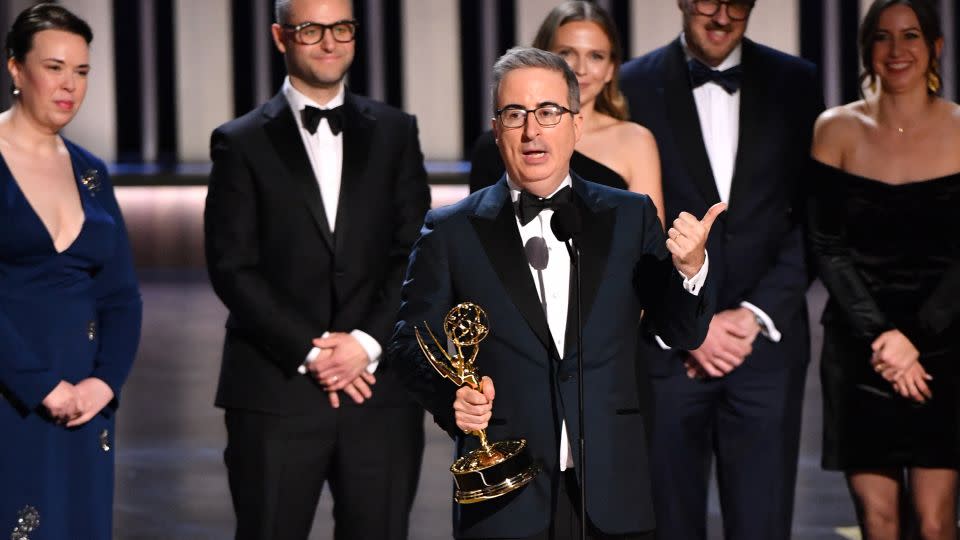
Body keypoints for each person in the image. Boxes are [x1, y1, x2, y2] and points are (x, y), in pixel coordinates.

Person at [389, 46, 723, 540]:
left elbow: (681, 330)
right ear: (497, 127)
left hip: (613, 493)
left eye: (548, 112)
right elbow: (408, 344)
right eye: (515, 114)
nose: (532, 130)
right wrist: (451, 396)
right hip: (506, 496)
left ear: (576, 124)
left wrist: (691, 268)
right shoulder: (451, 230)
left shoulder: (629, 216)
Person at [203, 0, 430, 537]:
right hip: (275, 390)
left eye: (342, 27)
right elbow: (232, 267)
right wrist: (312, 352)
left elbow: (418, 251)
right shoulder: (239, 141)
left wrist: (364, 345)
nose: (330, 42)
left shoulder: (396, 132)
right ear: (280, 37)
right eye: (311, 28)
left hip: (379, 392)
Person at [618, 1, 824, 538]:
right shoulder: (631, 85)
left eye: (737, 0)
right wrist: (689, 328)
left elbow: (816, 219)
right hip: (668, 355)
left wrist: (754, 316)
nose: (721, 14)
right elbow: (629, 229)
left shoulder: (797, 82)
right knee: (667, 525)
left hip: (767, 349)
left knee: (763, 524)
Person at [808, 0, 960, 538]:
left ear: (935, 47)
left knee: (938, 522)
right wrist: (883, 338)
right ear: (867, 49)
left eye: (911, 36)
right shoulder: (835, 129)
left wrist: (914, 338)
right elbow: (826, 245)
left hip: (945, 346)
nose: (897, 51)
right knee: (878, 522)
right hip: (859, 348)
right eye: (883, 38)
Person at [0, 3, 142, 538]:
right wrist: (40, 387)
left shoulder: (91, 171)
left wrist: (105, 382)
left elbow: (121, 296)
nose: (70, 85)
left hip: (84, 407)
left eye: (81, 71)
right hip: (11, 398)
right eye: (55, 67)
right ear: (15, 68)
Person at [468, 1, 664, 225]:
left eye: (596, 56)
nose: (580, 69)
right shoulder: (494, 146)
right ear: (544, 58)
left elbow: (649, 244)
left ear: (611, 68)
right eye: (566, 53)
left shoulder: (636, 141)